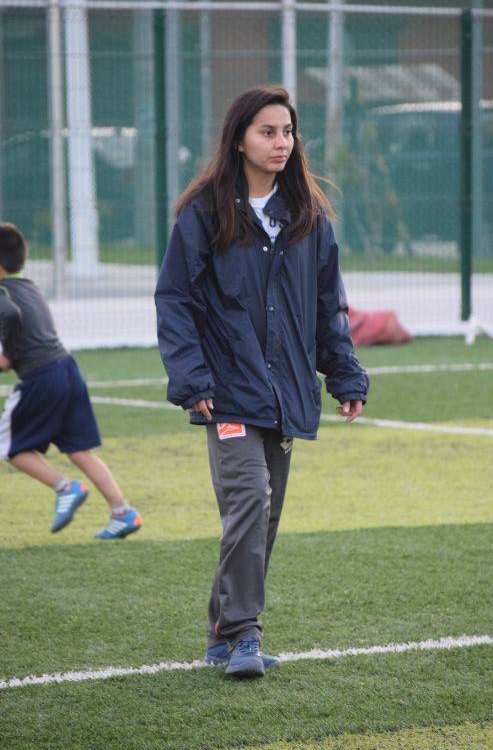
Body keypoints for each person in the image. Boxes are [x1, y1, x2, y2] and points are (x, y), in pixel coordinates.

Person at [155, 85, 369, 678]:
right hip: (225, 388)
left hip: (286, 389)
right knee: (250, 500)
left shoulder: (308, 215)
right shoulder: (203, 213)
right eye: (267, 132)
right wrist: (192, 376)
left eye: (288, 132)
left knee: (261, 517)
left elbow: (328, 304)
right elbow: (175, 300)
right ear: (239, 139)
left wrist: (344, 373)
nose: (281, 143)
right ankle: (245, 634)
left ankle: (220, 632)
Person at [0, 223, 143, 539]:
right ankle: (122, 512)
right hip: (67, 368)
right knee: (79, 450)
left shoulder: (4, 293)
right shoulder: (29, 286)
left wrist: (8, 356)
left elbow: (8, 317)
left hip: (41, 377)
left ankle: (65, 487)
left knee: (10, 446)